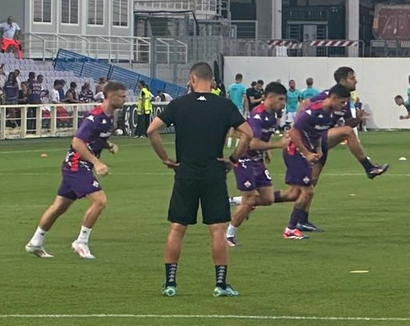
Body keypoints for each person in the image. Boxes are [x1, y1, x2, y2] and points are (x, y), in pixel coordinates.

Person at [147, 62, 251, 298]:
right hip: (213, 171)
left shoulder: (179, 104)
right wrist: (232, 159)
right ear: (212, 82)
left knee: (177, 227)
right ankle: (220, 284)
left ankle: (170, 283)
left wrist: (166, 158)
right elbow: (248, 133)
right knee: (217, 229)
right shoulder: (224, 105)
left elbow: (151, 130)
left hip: (186, 171)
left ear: (192, 79)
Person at [25, 81, 127, 259]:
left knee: (59, 207)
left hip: (78, 165)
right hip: (76, 165)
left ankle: (35, 242)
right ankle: (81, 242)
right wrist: (97, 163)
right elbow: (77, 142)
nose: (125, 99)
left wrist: (108, 145)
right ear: (110, 96)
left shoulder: (108, 117)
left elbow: (95, 138)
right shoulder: (94, 117)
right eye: (121, 96)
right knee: (100, 201)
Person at [226, 82, 300, 246]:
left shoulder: (271, 116)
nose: (283, 103)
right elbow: (252, 144)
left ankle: (235, 200)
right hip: (244, 158)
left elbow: (262, 139)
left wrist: (266, 150)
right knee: (250, 200)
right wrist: (277, 145)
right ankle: (228, 235)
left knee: (267, 198)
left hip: (256, 160)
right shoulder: (258, 115)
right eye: (281, 99)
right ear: (271, 98)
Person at [281, 85, 352, 240]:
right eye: (342, 102)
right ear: (332, 98)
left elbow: (319, 132)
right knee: (308, 191)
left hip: (304, 152)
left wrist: (318, 148)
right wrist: (306, 153)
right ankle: (290, 229)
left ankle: (253, 200)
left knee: (293, 194)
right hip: (295, 152)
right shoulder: (312, 111)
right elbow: (293, 132)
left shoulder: (330, 114)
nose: (344, 106)